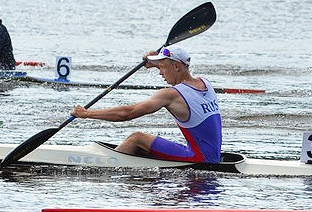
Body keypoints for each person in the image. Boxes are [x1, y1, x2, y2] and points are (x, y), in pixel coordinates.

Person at [69, 45, 222, 164]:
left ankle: (105, 169)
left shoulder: (171, 95)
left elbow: (127, 113)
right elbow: (178, 72)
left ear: (176, 67)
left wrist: (86, 114)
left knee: (137, 138)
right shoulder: (205, 83)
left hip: (199, 158)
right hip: (212, 155)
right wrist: (156, 62)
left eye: (162, 68)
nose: (160, 73)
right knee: (142, 145)